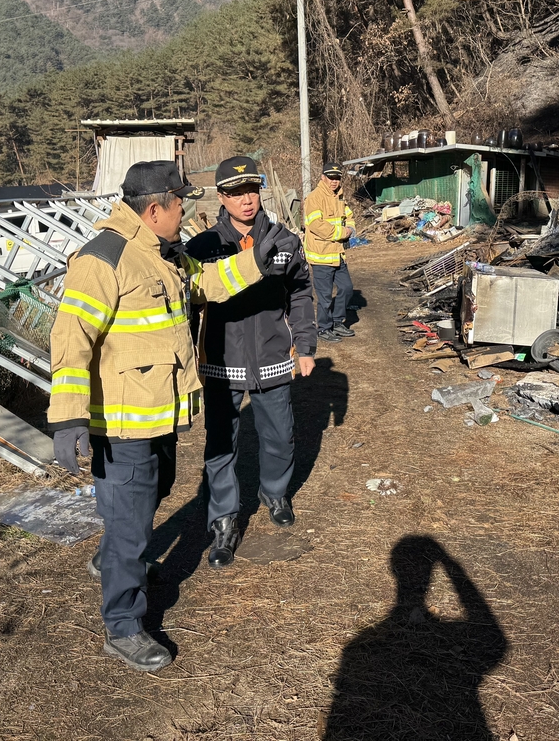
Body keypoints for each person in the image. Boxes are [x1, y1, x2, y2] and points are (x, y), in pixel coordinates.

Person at [48, 160, 276, 673]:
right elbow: (70, 341)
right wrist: (67, 418)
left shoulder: (161, 254)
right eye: (182, 203)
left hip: (159, 417)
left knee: (154, 493)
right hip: (124, 424)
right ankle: (124, 626)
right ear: (155, 209)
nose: (188, 211)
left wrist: (260, 260)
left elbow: (208, 283)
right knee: (130, 524)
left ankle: (113, 561)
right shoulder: (103, 259)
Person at [185, 156, 317, 568]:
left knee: (280, 435)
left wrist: (307, 346)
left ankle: (274, 491)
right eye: (236, 193)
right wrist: (187, 355)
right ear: (221, 198)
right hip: (222, 364)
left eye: (252, 190)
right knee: (222, 444)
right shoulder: (204, 248)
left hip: (275, 359)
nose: (247, 200)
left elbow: (299, 292)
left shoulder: (284, 242)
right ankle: (223, 520)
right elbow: (189, 305)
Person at [302, 161, 356, 342]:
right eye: (331, 177)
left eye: (337, 178)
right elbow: (316, 225)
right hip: (321, 255)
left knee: (347, 289)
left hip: (338, 253)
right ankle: (324, 328)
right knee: (325, 297)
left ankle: (337, 321)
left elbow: (349, 216)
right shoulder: (314, 198)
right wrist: (342, 233)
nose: (334, 181)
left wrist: (350, 229)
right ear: (322, 177)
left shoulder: (339, 196)